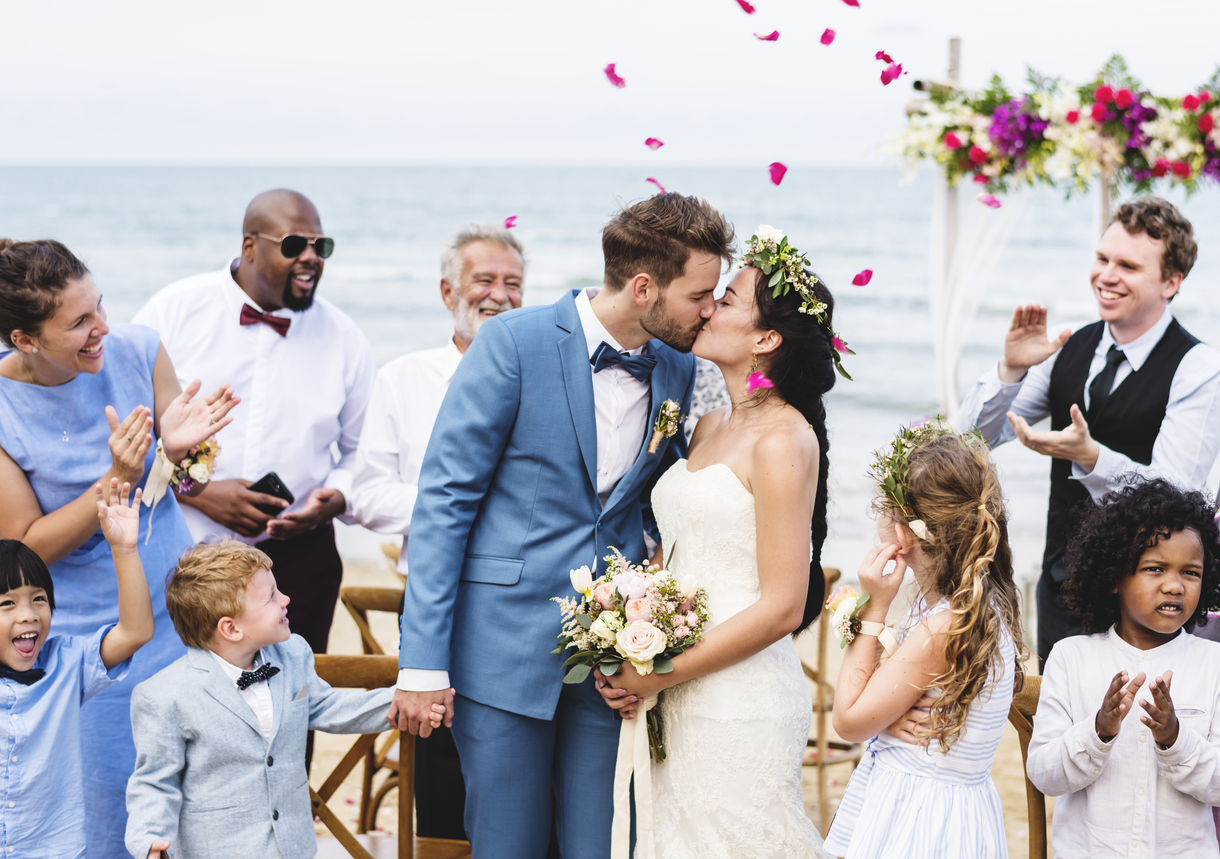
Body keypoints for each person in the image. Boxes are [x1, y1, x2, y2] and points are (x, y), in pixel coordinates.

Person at [388, 192, 734, 859]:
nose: (710, 309)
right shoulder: (511, 343)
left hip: (615, 663)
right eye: (700, 294)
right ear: (643, 287)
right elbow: (445, 502)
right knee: (507, 846)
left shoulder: (681, 367)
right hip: (502, 650)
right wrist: (422, 660)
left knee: (602, 845)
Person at [596, 225, 838, 858]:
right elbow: (675, 553)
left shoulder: (784, 440)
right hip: (676, 691)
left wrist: (657, 672)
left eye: (726, 300)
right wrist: (627, 634)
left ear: (766, 338)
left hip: (739, 701)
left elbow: (784, 606)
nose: (707, 307)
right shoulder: (707, 426)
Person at [0, 238, 238, 855]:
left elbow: (184, 480)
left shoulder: (139, 348)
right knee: (110, 811)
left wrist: (188, 453)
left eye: (99, 305)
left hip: (184, 612)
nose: (102, 328)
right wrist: (118, 480)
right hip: (95, 644)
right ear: (24, 340)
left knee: (208, 802)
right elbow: (25, 546)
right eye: (79, 322)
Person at [956, 196, 1220, 668]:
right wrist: (1010, 370)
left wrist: (1093, 458)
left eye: (1129, 266)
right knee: (1056, 733)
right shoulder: (1066, 344)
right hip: (1062, 587)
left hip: (1147, 604)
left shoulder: (1199, 368)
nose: (1107, 275)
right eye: (1102, 259)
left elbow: (1176, 493)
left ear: (1171, 282)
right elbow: (968, 440)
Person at [133, 189, 377, 657]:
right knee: (180, 699)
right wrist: (200, 493)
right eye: (293, 245)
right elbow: (129, 427)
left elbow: (364, 451)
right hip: (185, 549)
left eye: (319, 247)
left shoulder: (346, 338)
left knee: (294, 705)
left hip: (300, 558)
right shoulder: (172, 311)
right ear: (250, 246)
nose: (310, 258)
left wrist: (335, 499)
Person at [349, 222, 525, 840]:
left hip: (526, 607)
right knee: (444, 779)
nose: (499, 295)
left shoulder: (546, 377)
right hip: (434, 605)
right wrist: (455, 506)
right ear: (448, 289)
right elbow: (367, 495)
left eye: (513, 284)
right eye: (484, 280)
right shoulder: (403, 378)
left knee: (526, 781)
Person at [124, 540, 410, 859]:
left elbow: (329, 707)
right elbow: (155, 783)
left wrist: (403, 701)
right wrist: (149, 840)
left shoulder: (293, 654)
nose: (286, 599)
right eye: (271, 596)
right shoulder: (164, 695)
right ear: (231, 628)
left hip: (294, 848)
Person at [822, 424, 1025, 859]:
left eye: (882, 507)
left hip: (922, 819)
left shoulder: (943, 626)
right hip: (942, 803)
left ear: (905, 531)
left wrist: (875, 606)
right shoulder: (967, 607)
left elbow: (849, 721)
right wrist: (887, 722)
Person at [1027, 478, 1220, 858]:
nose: (1175, 586)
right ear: (1114, 576)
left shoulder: (1213, 663)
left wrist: (1175, 739)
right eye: (1155, 568)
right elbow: (1045, 775)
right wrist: (1098, 731)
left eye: (1190, 573)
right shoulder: (1071, 658)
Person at [0, 480, 154, 857]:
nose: (28, 615)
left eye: (39, 599)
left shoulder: (67, 664)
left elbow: (135, 632)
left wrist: (124, 550)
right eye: (7, 604)